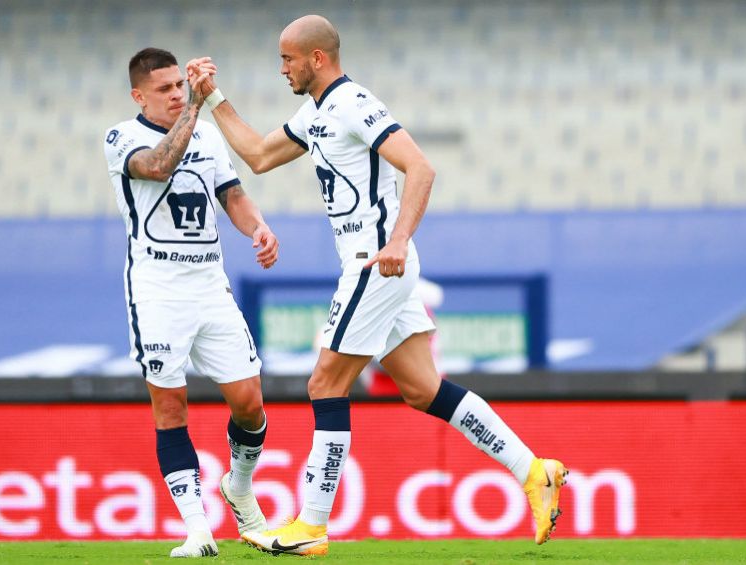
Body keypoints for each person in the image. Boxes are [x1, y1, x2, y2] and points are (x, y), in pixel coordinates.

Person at [186, 15, 567, 556]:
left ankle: (312, 524)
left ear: (318, 58)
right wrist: (213, 95)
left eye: (288, 59)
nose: (282, 69)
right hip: (379, 265)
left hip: (375, 263)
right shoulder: (316, 111)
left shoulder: (354, 103)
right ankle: (534, 472)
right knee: (423, 390)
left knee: (324, 386)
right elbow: (258, 155)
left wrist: (397, 239)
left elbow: (421, 168)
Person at [104, 47, 279, 558]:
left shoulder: (205, 136)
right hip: (157, 289)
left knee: (249, 403)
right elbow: (159, 166)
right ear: (139, 95)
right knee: (171, 406)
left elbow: (233, 195)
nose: (178, 94)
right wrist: (197, 108)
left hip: (209, 284)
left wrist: (259, 228)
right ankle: (198, 529)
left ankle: (238, 487)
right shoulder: (122, 137)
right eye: (165, 89)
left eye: (181, 85)